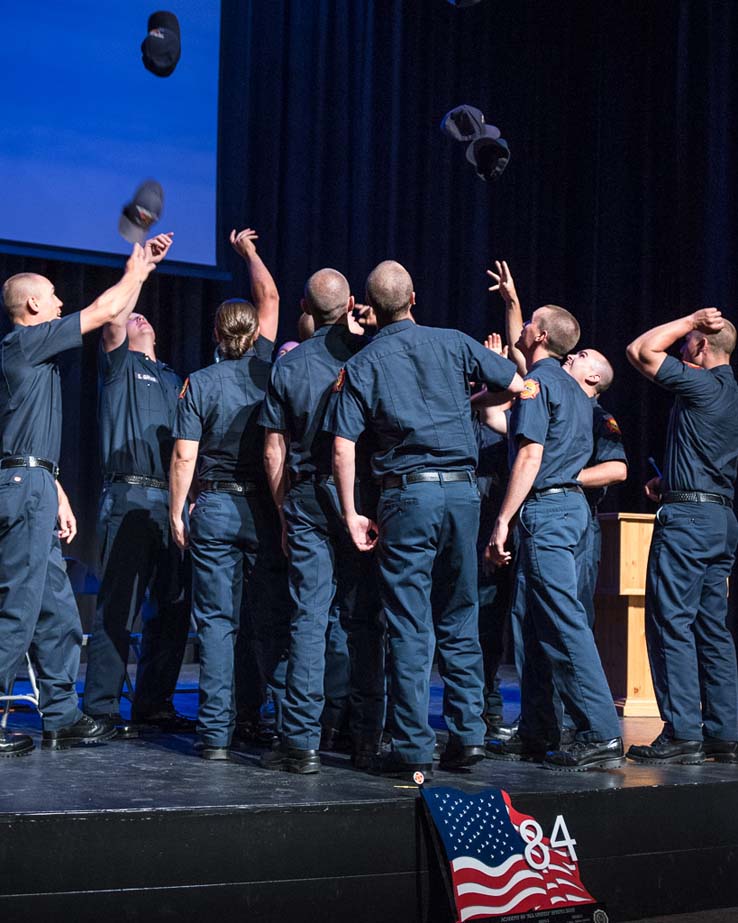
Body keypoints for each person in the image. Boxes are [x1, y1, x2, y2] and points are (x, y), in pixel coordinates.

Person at [328, 260, 523, 781]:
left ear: (368, 308)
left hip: (407, 497)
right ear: (414, 298)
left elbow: (343, 445)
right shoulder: (452, 341)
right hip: (462, 496)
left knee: (410, 624)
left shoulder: (365, 363)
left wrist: (351, 512)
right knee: (459, 615)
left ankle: (414, 747)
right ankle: (469, 736)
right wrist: (469, 403)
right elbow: (518, 384)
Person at [0, 240, 164, 756]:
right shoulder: (23, 344)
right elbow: (105, 310)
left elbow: (26, 442)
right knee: (19, 611)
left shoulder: (35, 355)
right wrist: (136, 270)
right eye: (51, 298)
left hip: (36, 485)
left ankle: (61, 716)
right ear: (31, 308)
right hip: (24, 491)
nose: (58, 305)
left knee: (57, 614)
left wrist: (58, 492)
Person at [485, 282, 623, 771]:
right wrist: (511, 305)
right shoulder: (561, 386)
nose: (522, 329)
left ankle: (603, 732)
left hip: (549, 510)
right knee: (534, 623)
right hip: (558, 512)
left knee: (564, 623)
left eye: (527, 324)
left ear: (540, 335)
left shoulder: (543, 383)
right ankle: (539, 727)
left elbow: (530, 452)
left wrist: (502, 520)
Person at [258, 268, 384, 774]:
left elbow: (273, 450)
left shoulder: (288, 366)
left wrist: (284, 511)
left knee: (309, 616)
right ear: (352, 302)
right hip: (366, 500)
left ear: (305, 309)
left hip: (308, 497)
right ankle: (367, 739)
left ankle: (301, 742)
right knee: (365, 620)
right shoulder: (374, 352)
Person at [169, 228, 285, 759]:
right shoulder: (268, 373)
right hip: (262, 508)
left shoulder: (199, 381)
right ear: (254, 332)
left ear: (217, 333)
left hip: (213, 506)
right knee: (263, 621)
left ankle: (215, 734)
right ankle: (264, 722)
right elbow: (272, 297)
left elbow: (184, 455)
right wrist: (249, 253)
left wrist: (177, 511)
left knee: (217, 623)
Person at [81, 234, 194, 735]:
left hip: (171, 502)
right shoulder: (119, 365)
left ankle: (154, 702)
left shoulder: (175, 380)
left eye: (145, 318)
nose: (138, 318)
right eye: (133, 317)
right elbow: (110, 319)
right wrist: (140, 267)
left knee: (172, 608)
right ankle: (101, 708)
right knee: (118, 607)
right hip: (127, 496)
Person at [626, 308, 738, 764]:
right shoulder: (730, 392)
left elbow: (640, 350)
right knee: (713, 629)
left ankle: (682, 733)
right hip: (720, 518)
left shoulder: (702, 384)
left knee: (671, 622)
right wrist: (671, 480)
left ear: (703, 346)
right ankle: (723, 733)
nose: (680, 345)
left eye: (688, 340)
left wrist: (690, 318)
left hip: (689, 523)